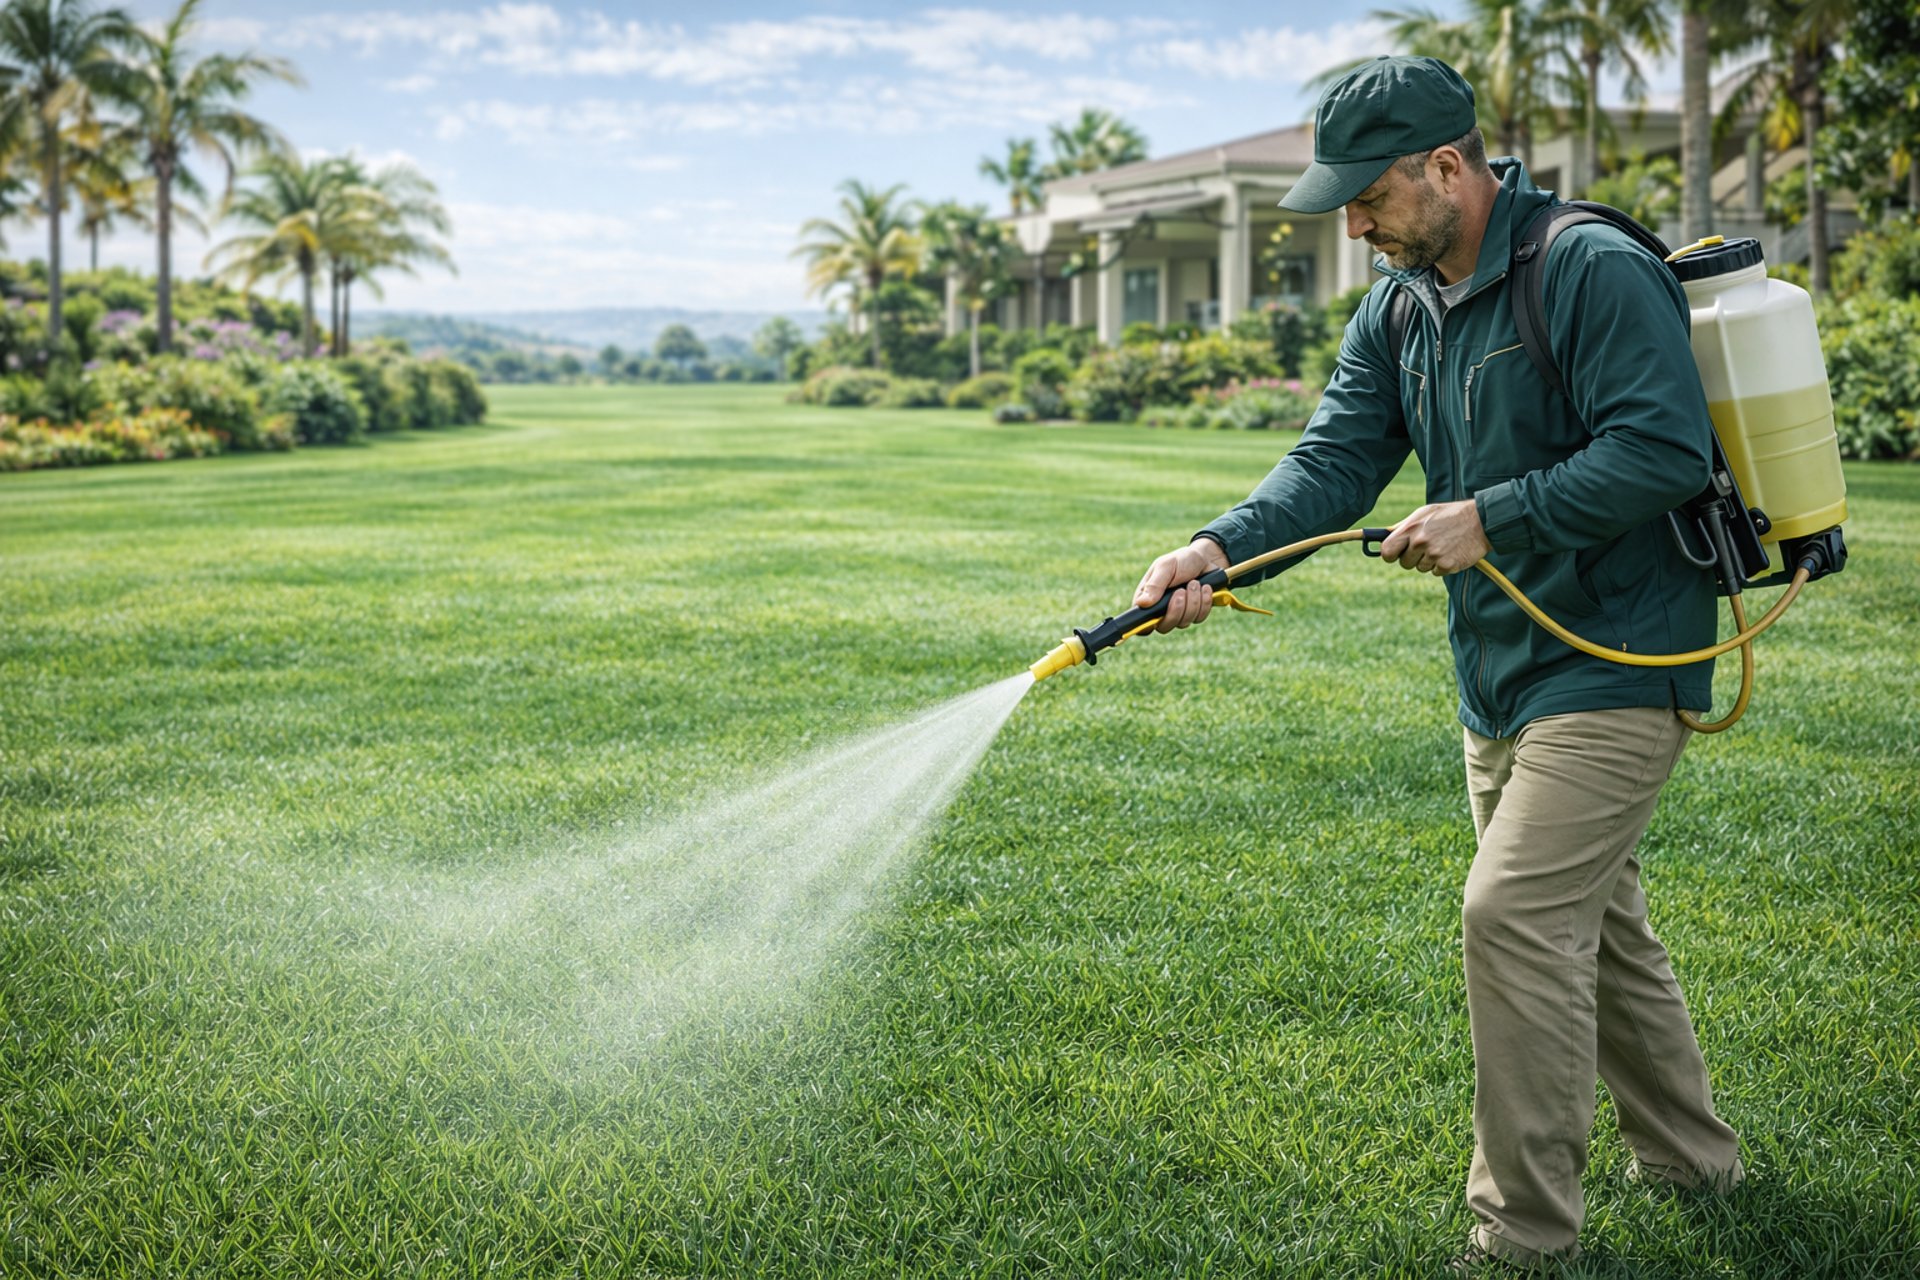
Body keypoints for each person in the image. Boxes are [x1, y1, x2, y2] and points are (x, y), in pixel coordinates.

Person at [1134, 55, 1743, 1270]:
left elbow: (1665, 448)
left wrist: (1491, 515)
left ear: (1448, 167)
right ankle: (1693, 1158)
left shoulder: (1586, 267)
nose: (1351, 224)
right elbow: (1333, 461)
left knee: (1512, 911)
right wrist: (1215, 548)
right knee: (1593, 918)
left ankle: (1519, 1233)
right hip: (1500, 667)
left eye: (1367, 198)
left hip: (1622, 647)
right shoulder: (1400, 305)